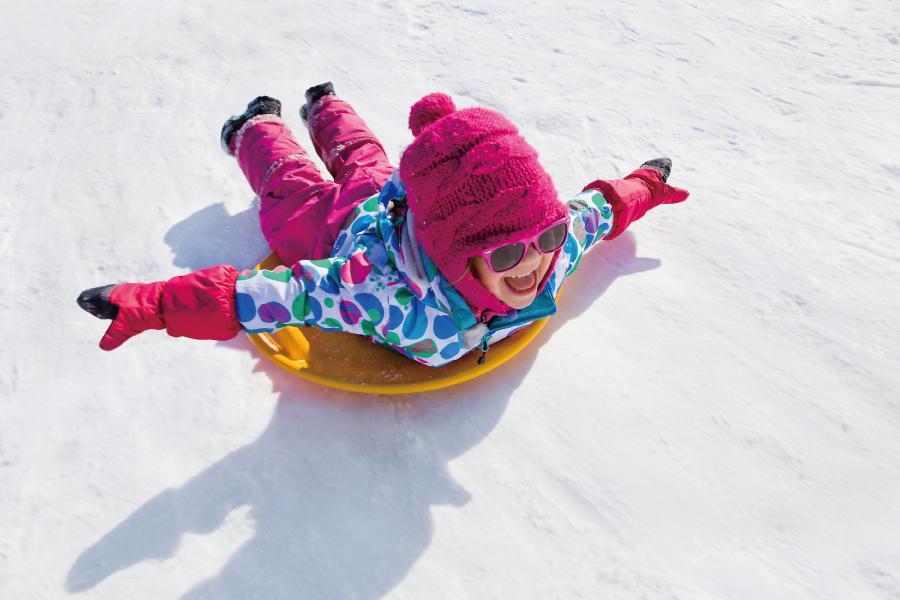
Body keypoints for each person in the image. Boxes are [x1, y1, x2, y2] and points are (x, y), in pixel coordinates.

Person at [77, 84, 689, 367]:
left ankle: (326, 107)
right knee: (289, 188)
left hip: (395, 195)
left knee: (366, 159)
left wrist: (644, 185)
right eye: (505, 256)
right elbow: (270, 296)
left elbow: (594, 211)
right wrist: (158, 303)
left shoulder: (552, 247)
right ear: (456, 256)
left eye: (547, 237)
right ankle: (254, 127)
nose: (534, 264)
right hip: (335, 228)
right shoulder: (379, 294)